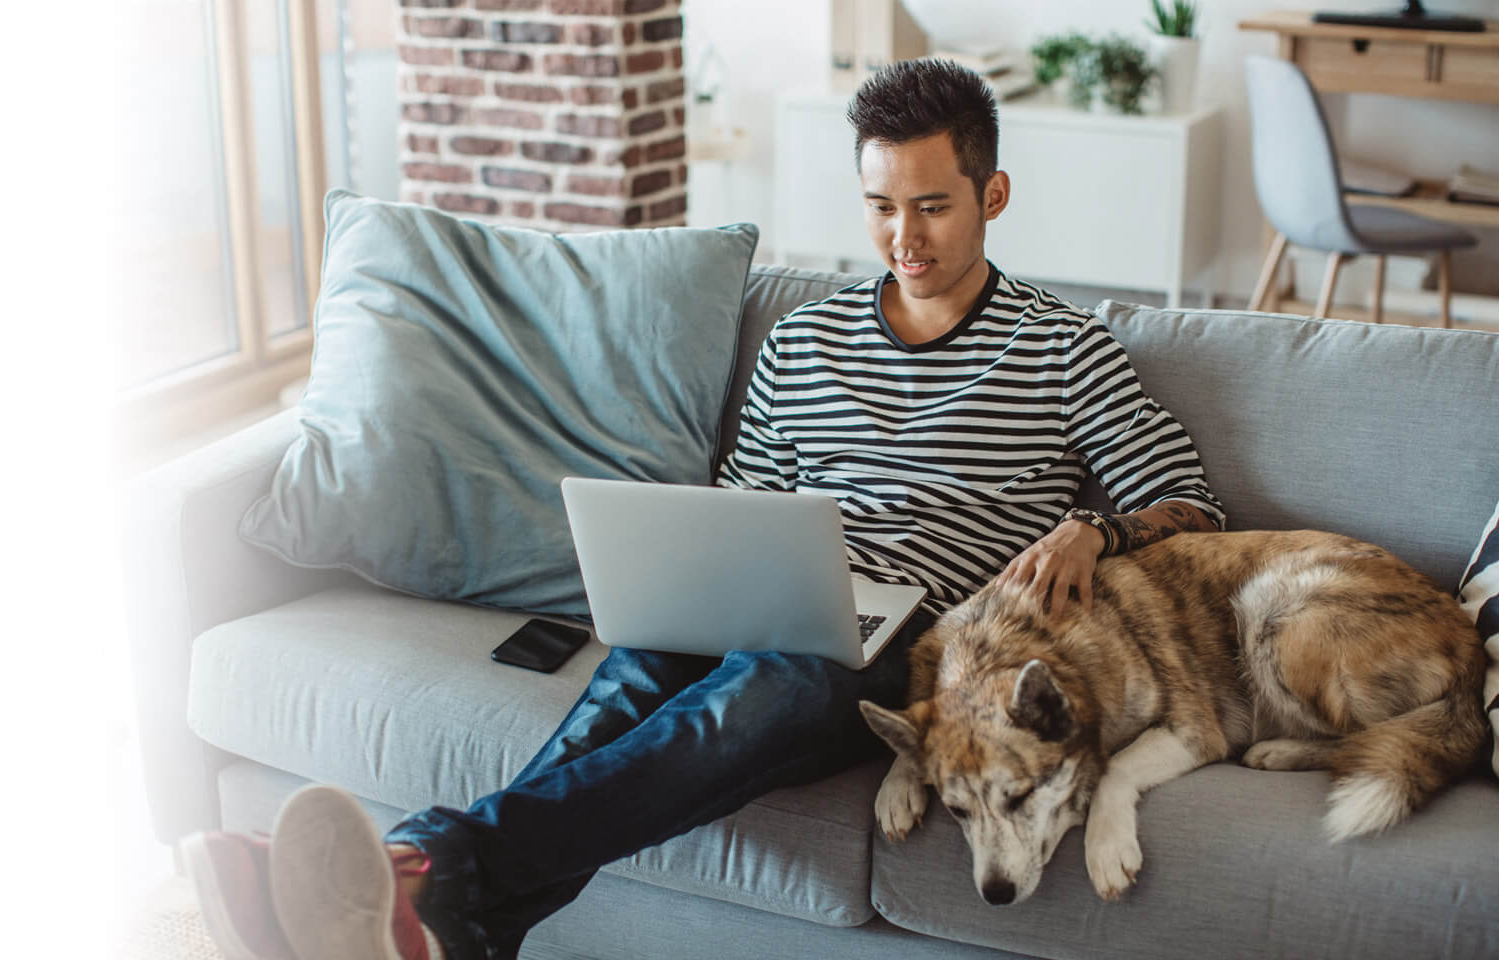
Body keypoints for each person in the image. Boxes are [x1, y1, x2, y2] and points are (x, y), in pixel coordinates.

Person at [181, 58, 1225, 960]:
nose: (903, 236)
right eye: (880, 206)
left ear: (992, 194)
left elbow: (1197, 509)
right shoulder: (802, 344)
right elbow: (742, 512)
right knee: (630, 688)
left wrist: (1101, 527)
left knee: (760, 691)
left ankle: (422, 861)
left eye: (932, 206)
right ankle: (455, 923)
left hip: (926, 646)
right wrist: (693, 577)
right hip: (785, 596)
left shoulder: (1064, 348)